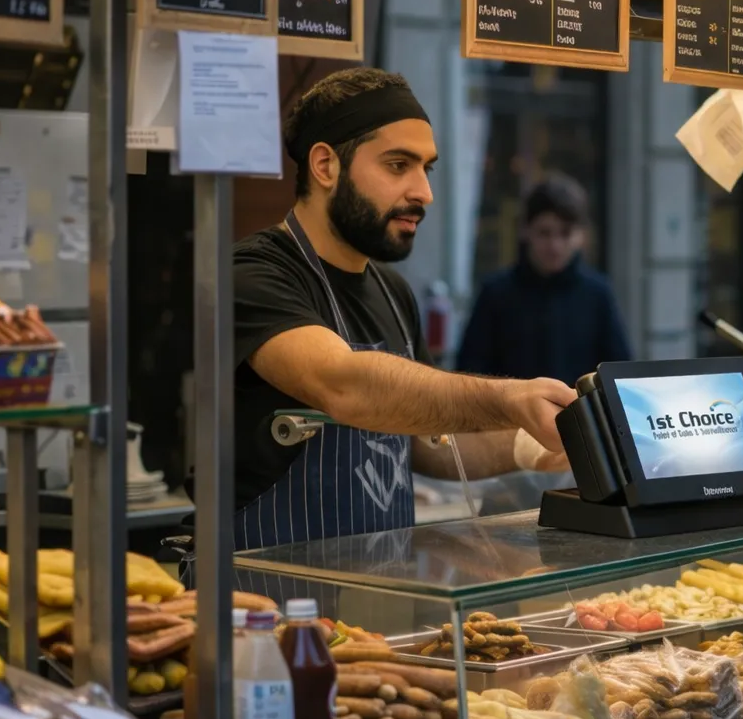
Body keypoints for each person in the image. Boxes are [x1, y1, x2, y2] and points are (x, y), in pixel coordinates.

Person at [233, 67, 576, 549]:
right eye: (398, 165)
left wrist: (537, 443)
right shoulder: (255, 273)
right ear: (325, 166)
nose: (424, 192)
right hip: (265, 599)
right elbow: (344, 384)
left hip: (378, 601)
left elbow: (426, 441)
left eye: (426, 168)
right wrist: (506, 399)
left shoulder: (392, 292)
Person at [456, 173, 632, 385]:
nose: (554, 245)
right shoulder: (496, 294)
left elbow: (620, 373)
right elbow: (470, 373)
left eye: (564, 234)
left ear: (580, 236)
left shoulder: (597, 294)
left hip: (580, 414)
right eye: (544, 233)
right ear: (526, 231)